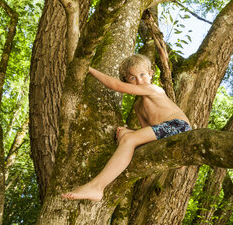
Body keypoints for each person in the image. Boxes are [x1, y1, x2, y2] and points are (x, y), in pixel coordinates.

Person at [61, 54, 191, 201]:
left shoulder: (154, 89)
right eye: (132, 78)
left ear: (150, 74)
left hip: (179, 127)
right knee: (126, 136)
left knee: (129, 138)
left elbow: (116, 86)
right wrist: (128, 132)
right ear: (127, 81)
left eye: (142, 75)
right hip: (166, 133)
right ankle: (178, 160)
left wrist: (89, 69)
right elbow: (149, 135)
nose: (139, 80)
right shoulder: (138, 107)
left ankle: (97, 187)